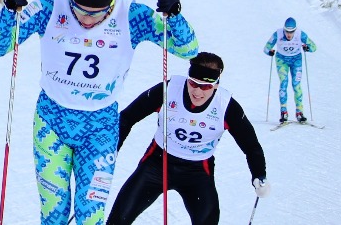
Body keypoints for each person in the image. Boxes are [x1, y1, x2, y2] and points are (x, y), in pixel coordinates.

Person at [0, 0, 198, 225]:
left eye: (97, 14)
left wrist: (174, 14)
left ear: (111, 4)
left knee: (91, 216)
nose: (87, 20)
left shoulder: (131, 15)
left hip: (100, 127)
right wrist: (10, 8)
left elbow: (187, 49)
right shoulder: (50, 7)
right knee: (54, 214)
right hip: (51, 121)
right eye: (80, 11)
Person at [107, 52, 269, 225]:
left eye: (205, 86)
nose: (197, 91)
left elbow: (251, 146)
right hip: (157, 164)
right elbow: (126, 118)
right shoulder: (168, 90)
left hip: (197, 171)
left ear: (215, 85)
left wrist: (259, 174)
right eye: (193, 83)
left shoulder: (226, 106)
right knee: (118, 219)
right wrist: (110, 150)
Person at [264, 17, 317, 123]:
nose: (289, 34)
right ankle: (283, 112)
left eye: (291, 31)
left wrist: (308, 48)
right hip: (281, 60)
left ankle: (299, 112)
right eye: (287, 31)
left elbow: (314, 47)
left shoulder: (300, 34)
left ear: (295, 30)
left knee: (296, 85)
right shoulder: (278, 34)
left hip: (296, 60)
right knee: (284, 83)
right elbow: (266, 48)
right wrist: (269, 52)